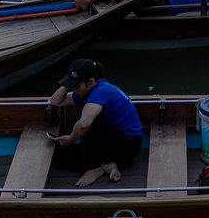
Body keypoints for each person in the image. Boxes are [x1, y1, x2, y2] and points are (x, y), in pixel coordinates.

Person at [45, 58, 143, 187]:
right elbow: (56, 101)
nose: (74, 90)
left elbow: (84, 124)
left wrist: (71, 139)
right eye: (72, 86)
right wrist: (69, 81)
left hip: (128, 146)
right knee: (61, 157)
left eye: (76, 86)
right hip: (108, 145)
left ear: (91, 81)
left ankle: (93, 168)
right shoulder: (87, 90)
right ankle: (107, 165)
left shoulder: (102, 91)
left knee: (90, 121)